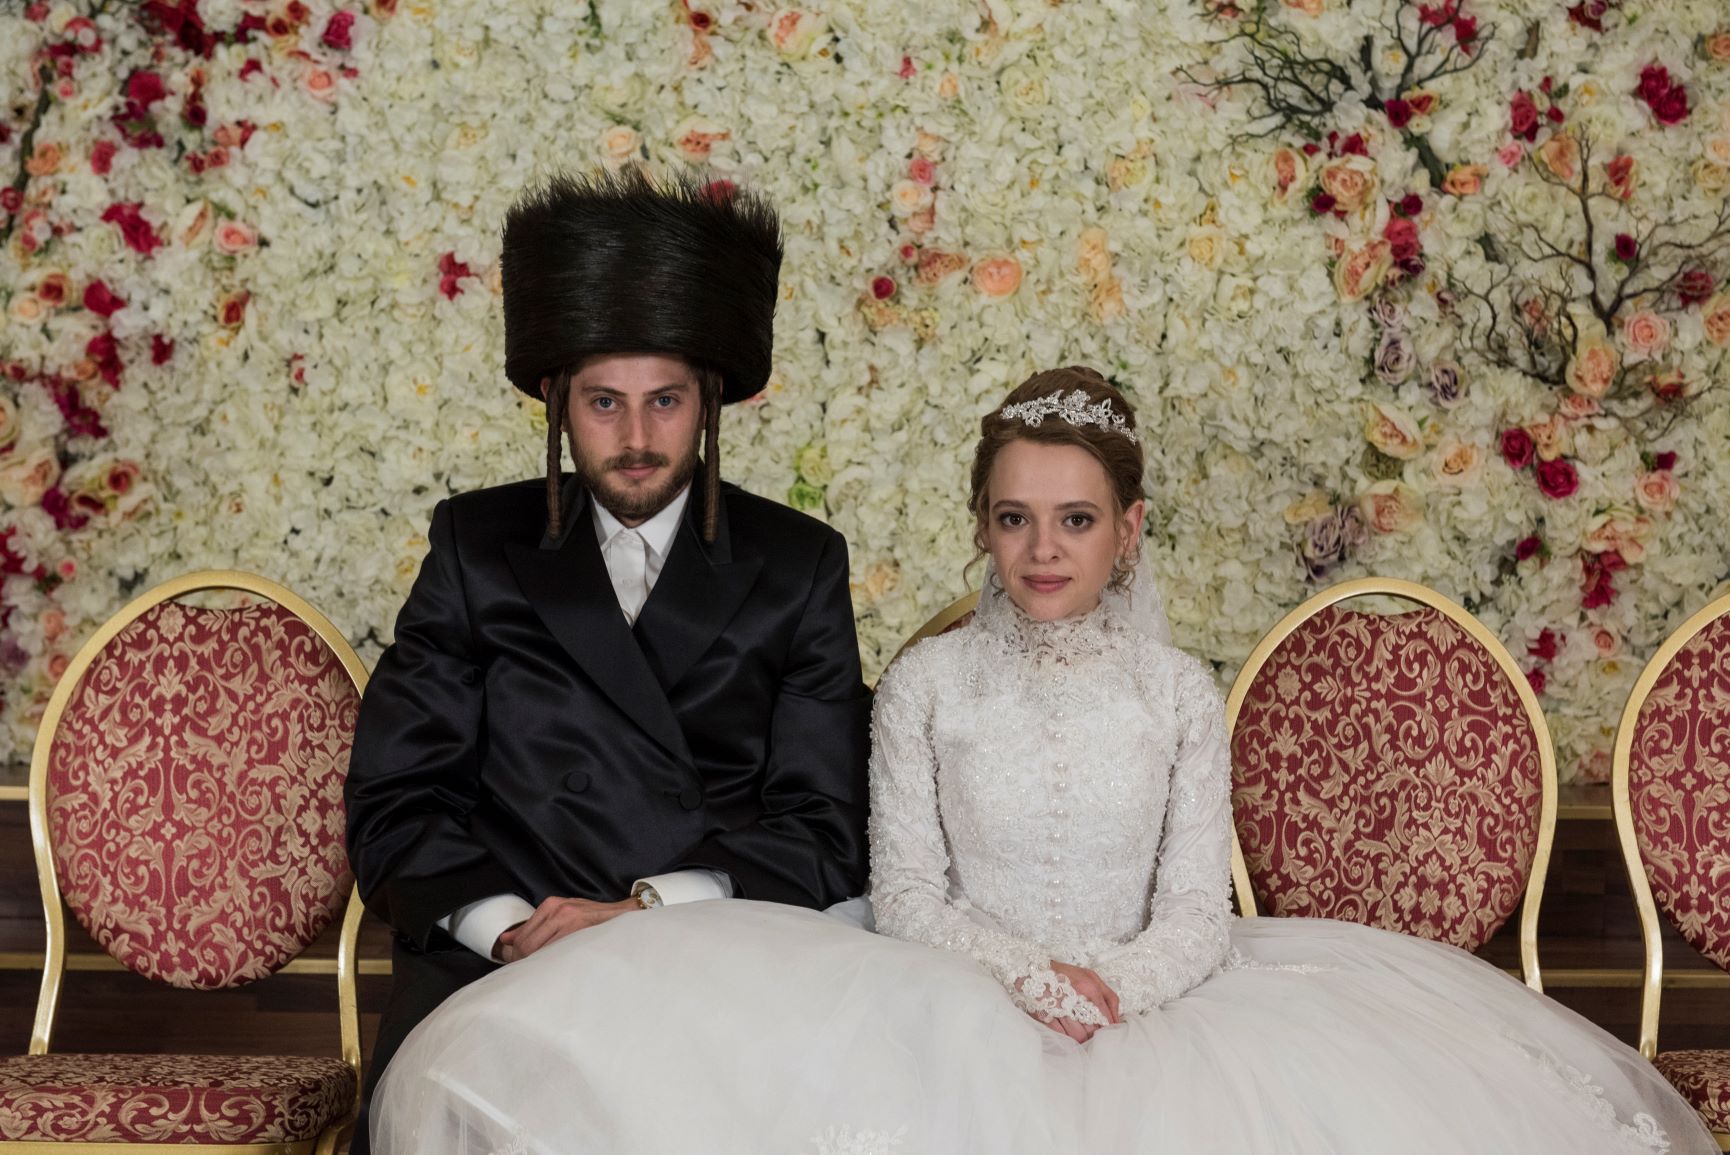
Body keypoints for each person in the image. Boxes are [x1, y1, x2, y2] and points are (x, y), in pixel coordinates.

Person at [368, 367, 1713, 1154]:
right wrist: (1022, 982)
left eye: (1073, 518)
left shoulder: (1177, 691)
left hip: (1163, 1000)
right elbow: (904, 890)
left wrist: (1110, 988)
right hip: (950, 990)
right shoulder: (928, 684)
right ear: (981, 527)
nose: (1042, 547)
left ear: (1128, 530)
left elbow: (1195, 906)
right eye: (1012, 517)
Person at [344, 168, 871, 1153]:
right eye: (603, 402)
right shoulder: (473, 546)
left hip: (717, 961)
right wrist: (512, 928)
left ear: (709, 400)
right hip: (496, 966)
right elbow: (397, 799)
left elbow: (823, 827)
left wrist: (643, 911)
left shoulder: (799, 564)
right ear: (555, 399)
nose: (635, 438)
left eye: (664, 400)